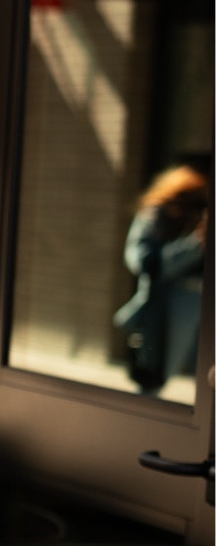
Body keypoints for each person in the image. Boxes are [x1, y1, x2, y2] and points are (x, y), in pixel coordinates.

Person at [115, 160, 208, 395]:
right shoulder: (157, 215)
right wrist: (196, 243)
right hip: (169, 307)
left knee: (206, 384)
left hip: (204, 303)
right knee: (154, 378)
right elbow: (146, 261)